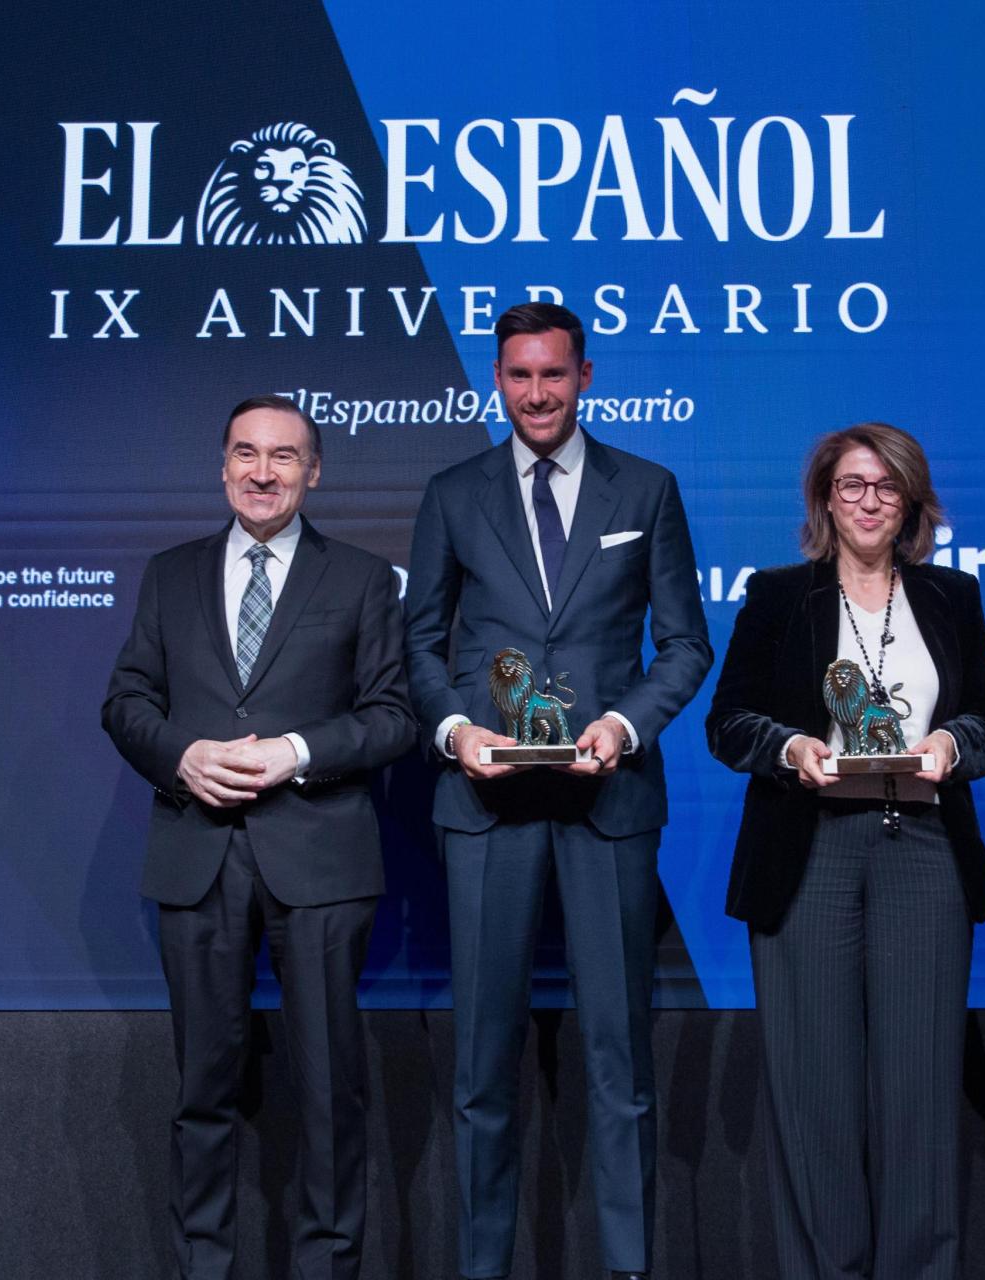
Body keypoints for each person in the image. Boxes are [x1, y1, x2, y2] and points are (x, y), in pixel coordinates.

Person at [404, 302, 712, 1280]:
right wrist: (457, 732)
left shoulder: (647, 488)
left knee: (620, 1059)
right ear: (498, 380)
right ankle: (482, 1266)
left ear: (584, 375)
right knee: (480, 1063)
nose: (535, 393)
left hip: (606, 804)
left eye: (552, 373)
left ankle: (628, 1267)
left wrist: (623, 723)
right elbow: (420, 644)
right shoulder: (452, 493)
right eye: (518, 375)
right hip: (484, 805)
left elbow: (685, 643)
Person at [102, 395, 416, 1280]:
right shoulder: (169, 574)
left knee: (328, 1091)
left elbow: (393, 716)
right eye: (246, 453)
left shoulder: (362, 578)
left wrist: (296, 751)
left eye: (283, 456)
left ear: (313, 472)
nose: (263, 472)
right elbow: (126, 701)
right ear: (223, 466)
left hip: (319, 858)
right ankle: (204, 1267)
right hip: (197, 855)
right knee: (203, 1091)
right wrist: (183, 755)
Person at [705, 422, 985, 1279]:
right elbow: (728, 722)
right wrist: (791, 747)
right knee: (815, 1096)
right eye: (852, 486)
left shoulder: (952, 595)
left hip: (926, 849)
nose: (869, 501)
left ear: (910, 501)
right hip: (809, 851)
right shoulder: (777, 594)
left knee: (921, 1095)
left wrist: (950, 744)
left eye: (887, 486)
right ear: (825, 500)